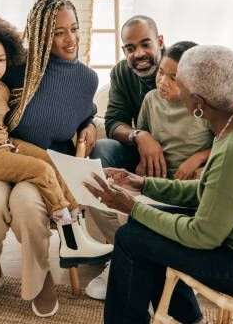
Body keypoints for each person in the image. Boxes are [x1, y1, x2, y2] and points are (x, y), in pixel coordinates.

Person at [83, 45, 233, 324]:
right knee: (143, 230)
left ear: (198, 102)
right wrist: (145, 184)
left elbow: (201, 235)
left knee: (132, 238)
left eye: (178, 83)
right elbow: (213, 191)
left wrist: (132, 207)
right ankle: (191, 320)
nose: (172, 87)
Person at [0, 0, 103, 317]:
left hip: (44, 162)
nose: (70, 39)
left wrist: (90, 126)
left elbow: (86, 113)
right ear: (41, 34)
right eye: (59, 32)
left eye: (74, 29)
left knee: (28, 208)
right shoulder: (14, 67)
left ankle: (38, 278)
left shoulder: (87, 79)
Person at [86, 15, 167, 299]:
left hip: (181, 156)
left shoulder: (183, 64)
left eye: (145, 44)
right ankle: (121, 252)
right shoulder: (122, 73)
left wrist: (200, 160)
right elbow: (113, 122)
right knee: (96, 156)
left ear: (160, 42)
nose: (138, 54)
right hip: (140, 153)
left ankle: (145, 258)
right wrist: (140, 137)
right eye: (130, 48)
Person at [135, 41, 213, 180]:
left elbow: (227, 143)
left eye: (173, 78)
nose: (163, 82)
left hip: (191, 180)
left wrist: (199, 158)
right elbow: (143, 137)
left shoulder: (206, 105)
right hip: (157, 179)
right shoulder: (151, 99)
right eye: (161, 71)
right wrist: (142, 159)